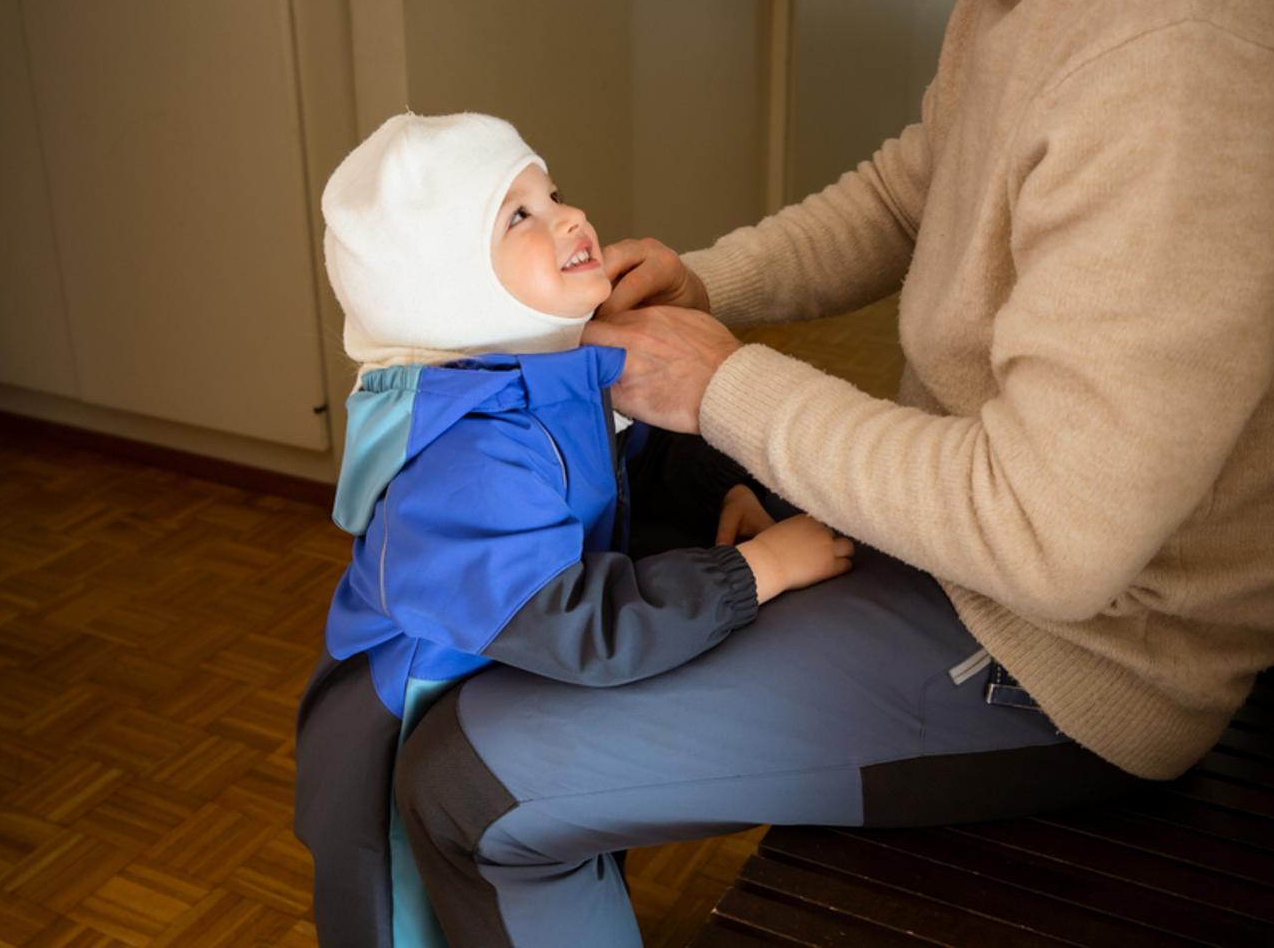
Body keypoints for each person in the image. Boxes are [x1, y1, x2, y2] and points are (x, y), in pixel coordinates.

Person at [392, 0, 1274, 945]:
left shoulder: (1187, 53)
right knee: (663, 503)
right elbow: (915, 191)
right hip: (992, 540)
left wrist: (722, 384)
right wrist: (708, 286)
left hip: (1085, 650)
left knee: (464, 787)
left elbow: (1051, 538)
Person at [291, 111, 854, 946]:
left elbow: (625, 475)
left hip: (504, 693)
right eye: (517, 214)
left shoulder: (549, 373)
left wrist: (722, 494)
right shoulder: (470, 460)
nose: (569, 217)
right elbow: (581, 624)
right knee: (418, 923)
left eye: (552, 192)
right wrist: (756, 571)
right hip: (401, 745)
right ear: (442, 286)